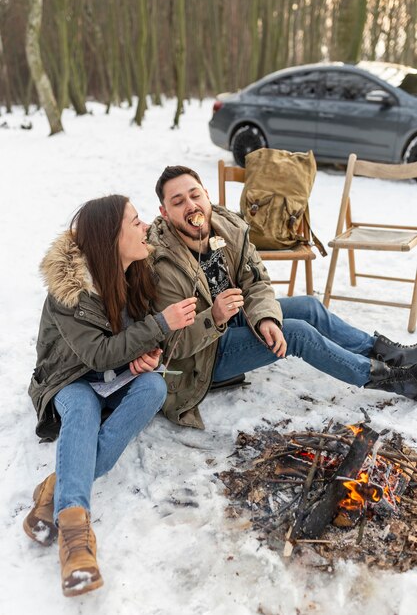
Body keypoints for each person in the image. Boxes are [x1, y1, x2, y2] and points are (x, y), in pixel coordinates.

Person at [147, 165, 417, 431]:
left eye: (195, 195)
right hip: (202, 357)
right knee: (297, 335)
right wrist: (214, 317)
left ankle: (390, 354)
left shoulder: (228, 228)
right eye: (178, 201)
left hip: (232, 318)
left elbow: (256, 281)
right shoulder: (164, 264)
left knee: (309, 307)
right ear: (165, 213)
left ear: (206, 194)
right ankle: (390, 379)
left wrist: (265, 317)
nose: (191, 206)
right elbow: (173, 346)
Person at [23, 195, 196, 598]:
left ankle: (57, 485)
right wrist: (159, 325)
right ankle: (76, 539)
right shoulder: (68, 290)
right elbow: (96, 353)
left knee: (154, 385)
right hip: (66, 379)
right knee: (81, 407)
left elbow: (122, 347)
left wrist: (141, 357)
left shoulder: (134, 270)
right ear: (110, 238)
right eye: (135, 223)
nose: (144, 228)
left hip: (109, 376)